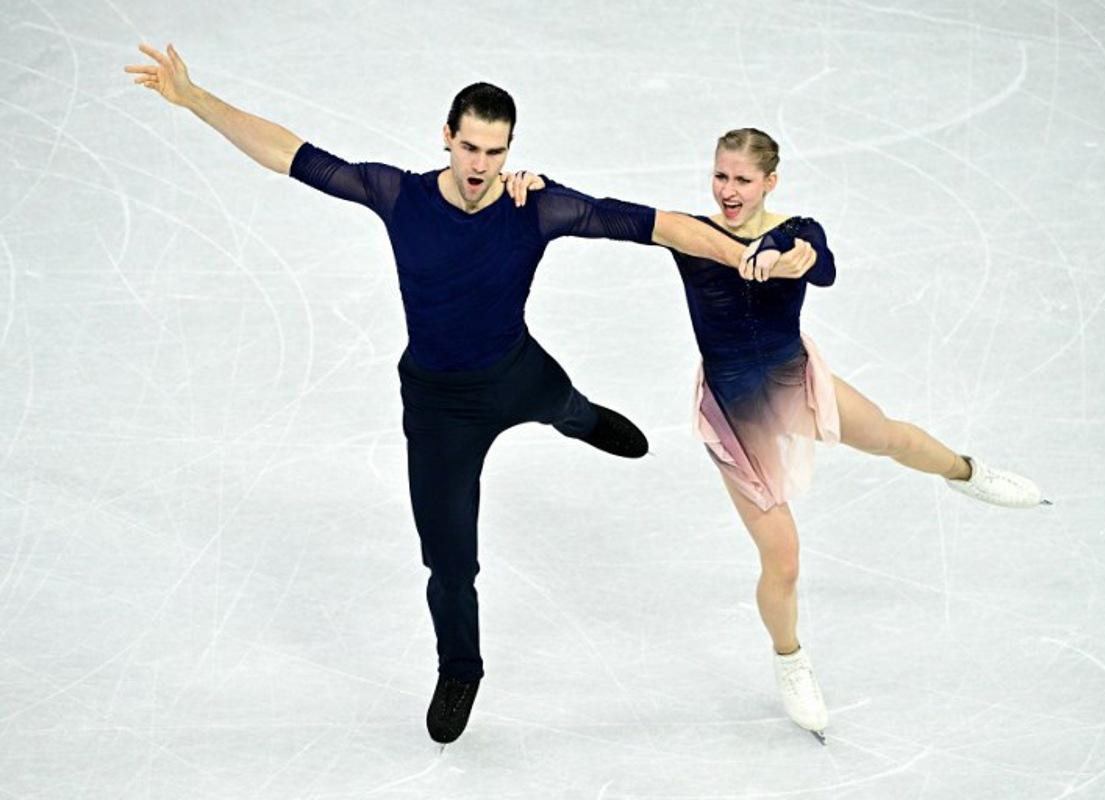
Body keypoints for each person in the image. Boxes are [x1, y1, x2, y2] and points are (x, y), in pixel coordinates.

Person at [123, 44, 812, 745]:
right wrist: (196, 98)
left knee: (563, 403)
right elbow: (291, 154)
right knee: (449, 560)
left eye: (495, 150)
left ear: (511, 148)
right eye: (470, 146)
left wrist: (745, 255)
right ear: (446, 137)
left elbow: (657, 225)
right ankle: (461, 668)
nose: (481, 165)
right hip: (438, 406)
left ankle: (580, 419)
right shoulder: (399, 196)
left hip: (517, 373)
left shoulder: (534, 207)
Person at [506, 128, 1049, 746]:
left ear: (770, 181)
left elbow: (820, 265)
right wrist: (537, 187)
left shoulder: (798, 230)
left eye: (742, 179)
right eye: (720, 176)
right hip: (736, 418)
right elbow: (599, 214)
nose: (728, 190)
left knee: (892, 438)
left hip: (798, 380)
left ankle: (968, 473)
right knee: (784, 560)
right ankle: (790, 659)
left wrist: (787, 259)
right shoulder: (691, 235)